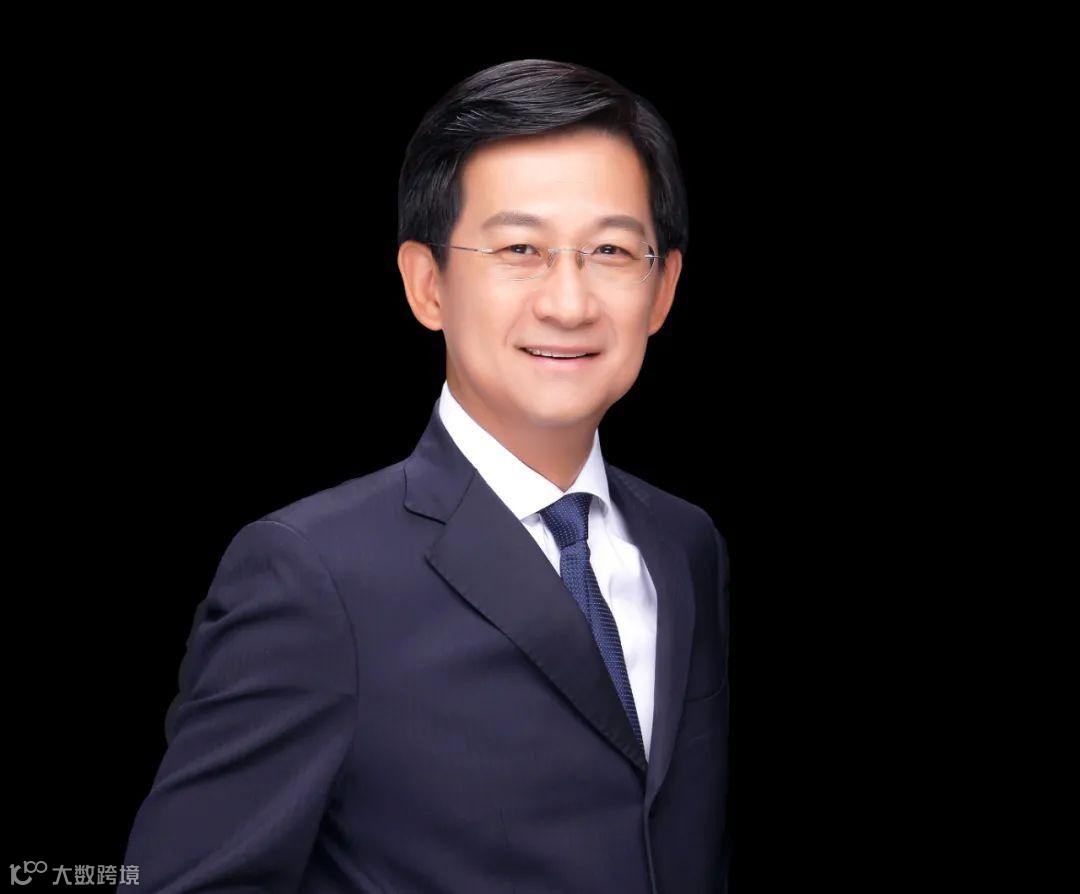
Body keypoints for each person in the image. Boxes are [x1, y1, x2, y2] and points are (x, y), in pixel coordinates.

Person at [122, 58, 730, 893]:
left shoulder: (685, 544)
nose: (569, 302)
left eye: (611, 251)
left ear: (663, 290)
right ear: (427, 283)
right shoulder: (313, 574)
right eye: (520, 249)